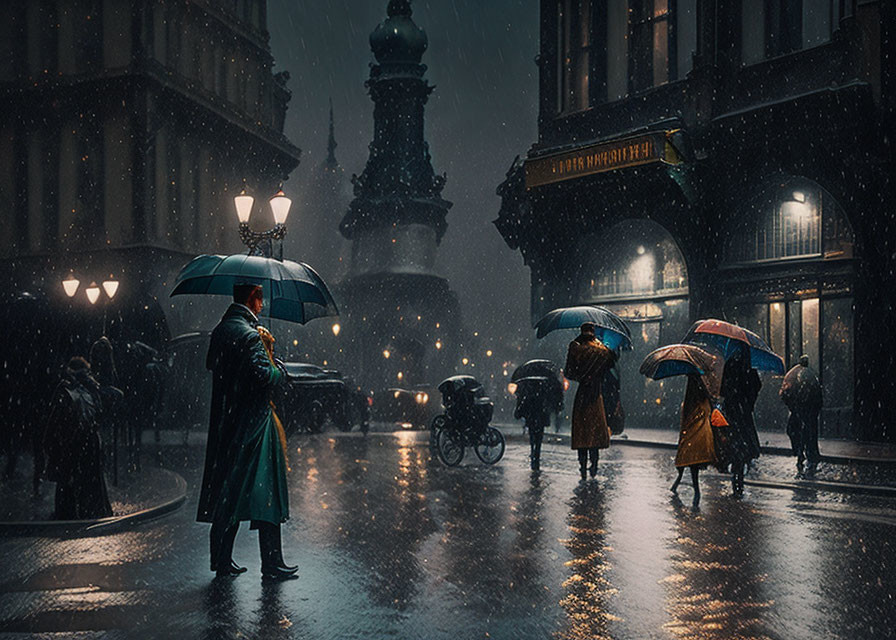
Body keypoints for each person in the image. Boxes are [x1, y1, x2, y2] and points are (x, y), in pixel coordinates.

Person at [196, 283, 296, 581]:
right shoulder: (250, 336)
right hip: (256, 422)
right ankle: (272, 562)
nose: (263, 305)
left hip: (229, 421)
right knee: (268, 493)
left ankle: (222, 559)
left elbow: (213, 365)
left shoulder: (221, 330)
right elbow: (264, 377)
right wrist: (280, 369)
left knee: (230, 491)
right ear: (253, 298)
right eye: (261, 298)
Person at [42, 357, 117, 519]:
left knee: (66, 480)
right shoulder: (92, 387)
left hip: (71, 441)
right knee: (92, 480)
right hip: (90, 440)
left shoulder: (66, 390)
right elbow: (100, 413)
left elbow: (54, 422)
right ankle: (94, 510)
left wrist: (51, 445)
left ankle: (67, 514)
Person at [564, 323, 615, 481]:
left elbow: (568, 372)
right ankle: (594, 464)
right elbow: (610, 365)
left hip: (582, 395)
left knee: (582, 434)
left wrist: (582, 375)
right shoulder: (602, 351)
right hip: (596, 395)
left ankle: (582, 466)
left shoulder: (576, 348)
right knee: (594, 434)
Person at [720, 343, 761, 497]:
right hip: (743, 413)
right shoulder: (749, 368)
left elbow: (723, 389)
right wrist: (749, 402)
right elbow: (757, 385)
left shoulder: (730, 365)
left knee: (733, 446)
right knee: (742, 447)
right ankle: (739, 482)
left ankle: (736, 482)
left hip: (733, 412)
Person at [670, 375, 715, 506]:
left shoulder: (695, 379)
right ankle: (694, 489)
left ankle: (688, 486)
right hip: (697, 420)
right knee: (692, 458)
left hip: (694, 421)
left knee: (689, 456)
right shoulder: (701, 379)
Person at [780, 355, 823, 472]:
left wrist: (794, 407)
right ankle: (807, 454)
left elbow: (785, 393)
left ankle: (802, 453)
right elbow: (818, 396)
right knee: (808, 433)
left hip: (802, 410)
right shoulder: (810, 375)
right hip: (807, 410)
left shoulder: (795, 374)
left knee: (799, 432)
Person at [514, 376, 561, 471]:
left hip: (532, 416)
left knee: (533, 435)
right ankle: (536, 454)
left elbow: (523, 402)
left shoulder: (528, 388)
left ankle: (534, 451)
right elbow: (550, 401)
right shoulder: (544, 387)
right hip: (540, 416)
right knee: (539, 436)